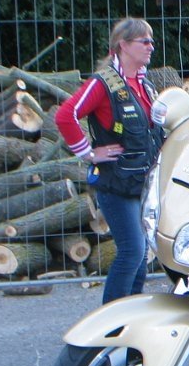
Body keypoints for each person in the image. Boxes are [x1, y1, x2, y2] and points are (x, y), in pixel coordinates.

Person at [55, 17, 163, 304]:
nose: (151, 46)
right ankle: (111, 321)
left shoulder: (144, 85)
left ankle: (132, 319)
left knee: (140, 257)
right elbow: (65, 115)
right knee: (131, 252)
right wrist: (89, 153)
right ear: (123, 45)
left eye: (151, 41)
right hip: (115, 185)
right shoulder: (102, 83)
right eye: (144, 41)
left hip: (139, 185)